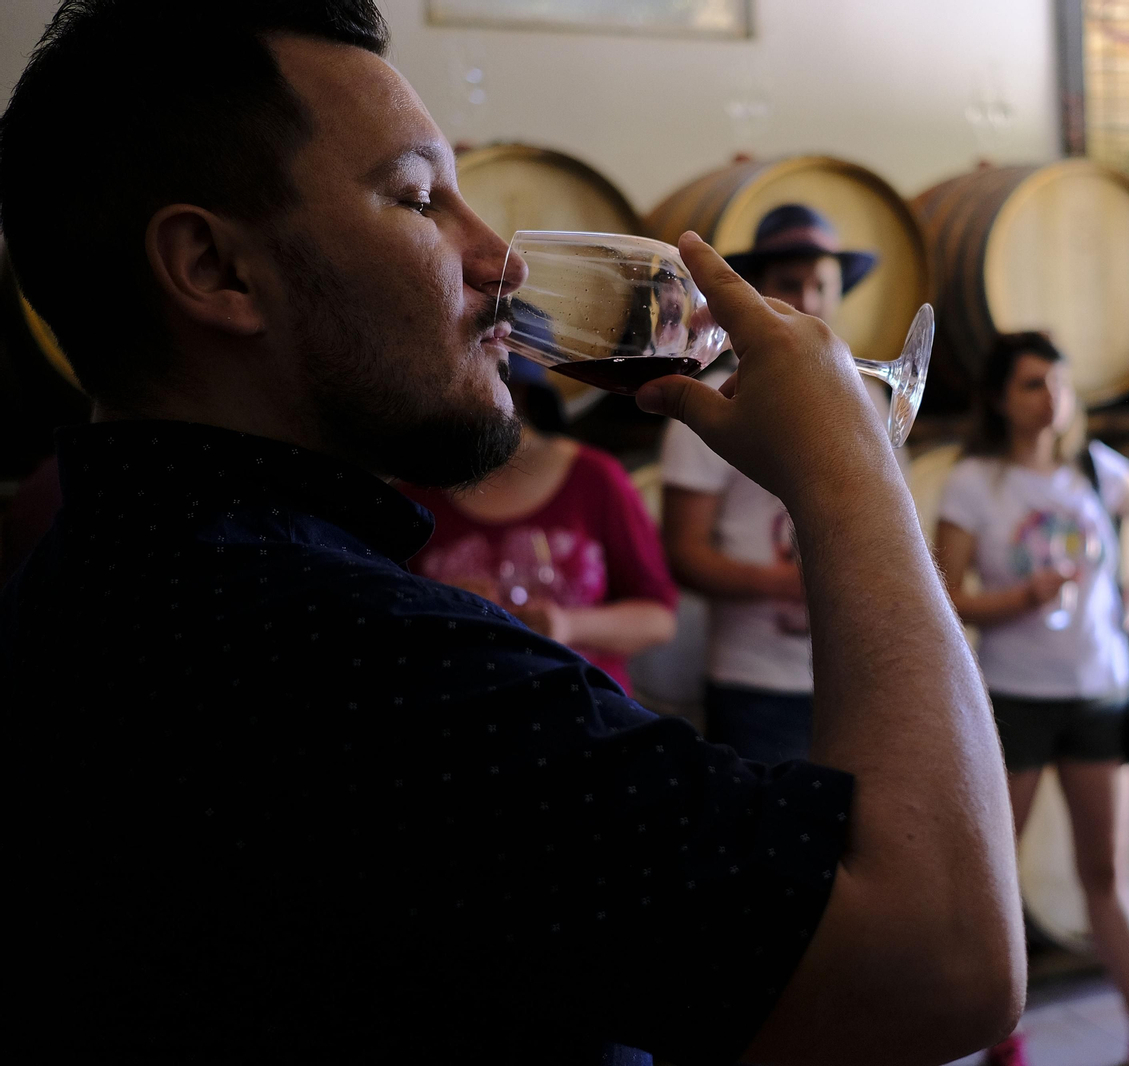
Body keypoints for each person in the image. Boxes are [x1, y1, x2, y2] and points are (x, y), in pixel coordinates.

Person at [0, 3, 1026, 1062]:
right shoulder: (345, 660)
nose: (500, 260)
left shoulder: (90, 582)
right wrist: (851, 477)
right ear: (214, 270)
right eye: (415, 198)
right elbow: (939, 959)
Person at [934, 333, 1129, 1066]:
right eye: (1031, 384)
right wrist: (1020, 597)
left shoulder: (1092, 468)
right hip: (1016, 698)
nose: (1051, 397)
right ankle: (1001, 1037)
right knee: (995, 873)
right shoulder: (975, 482)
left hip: (1095, 690)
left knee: (1107, 875)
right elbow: (945, 595)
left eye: (1058, 382)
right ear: (999, 398)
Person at [659, 203, 890, 764]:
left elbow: (883, 524)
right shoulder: (712, 398)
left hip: (855, 677)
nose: (809, 302)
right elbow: (683, 555)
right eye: (791, 285)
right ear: (756, 291)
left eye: (822, 285)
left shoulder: (875, 398)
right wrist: (787, 583)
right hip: (753, 681)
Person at [403, 355, 677, 696]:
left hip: (586, 708)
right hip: (461, 710)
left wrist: (567, 626)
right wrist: (442, 611)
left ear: (520, 387)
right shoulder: (411, 488)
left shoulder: (595, 477)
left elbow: (658, 618)